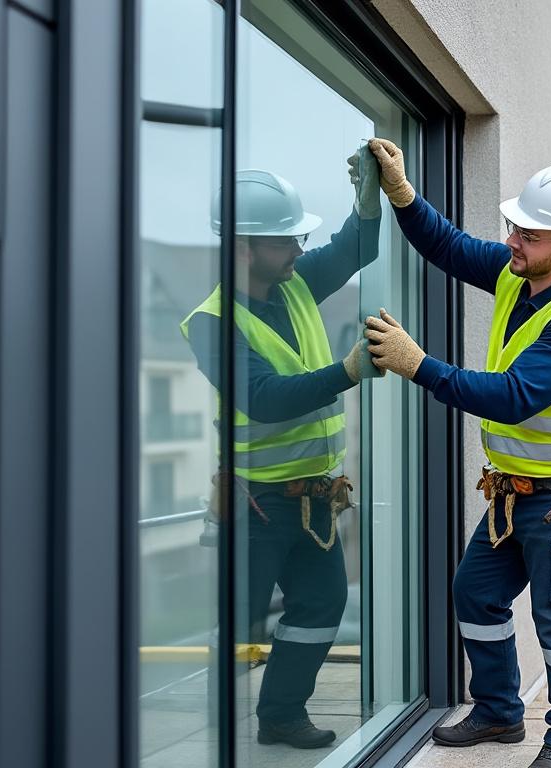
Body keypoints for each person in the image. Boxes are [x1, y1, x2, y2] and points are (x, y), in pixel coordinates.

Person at [360, 137, 551, 768]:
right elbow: (449, 247)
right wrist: (402, 194)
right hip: (517, 489)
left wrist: (418, 364)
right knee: (476, 593)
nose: (512, 242)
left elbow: (511, 397)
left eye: (529, 235)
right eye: (514, 228)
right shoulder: (519, 269)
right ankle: (501, 714)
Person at [180, 155, 382, 749]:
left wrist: (369, 201)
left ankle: (281, 715)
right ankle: (218, 723)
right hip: (257, 505)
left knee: (320, 607)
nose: (298, 249)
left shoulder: (291, 287)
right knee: (240, 617)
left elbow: (354, 250)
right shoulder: (210, 323)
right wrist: (347, 370)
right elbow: (264, 398)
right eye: (286, 239)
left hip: (313, 499)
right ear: (244, 247)